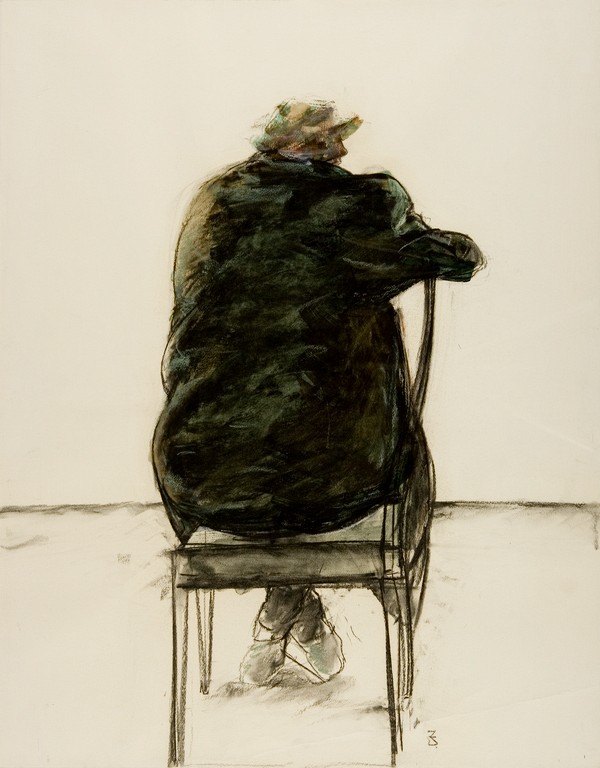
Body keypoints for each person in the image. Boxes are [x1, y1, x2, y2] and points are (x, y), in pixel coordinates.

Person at [152, 99, 484, 685]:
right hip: (342, 479)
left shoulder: (213, 201)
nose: (342, 149)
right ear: (304, 143)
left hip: (200, 474)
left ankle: (288, 610)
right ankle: (363, 626)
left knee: (280, 443)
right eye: (332, 138)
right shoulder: (365, 201)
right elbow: (458, 259)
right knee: (385, 460)